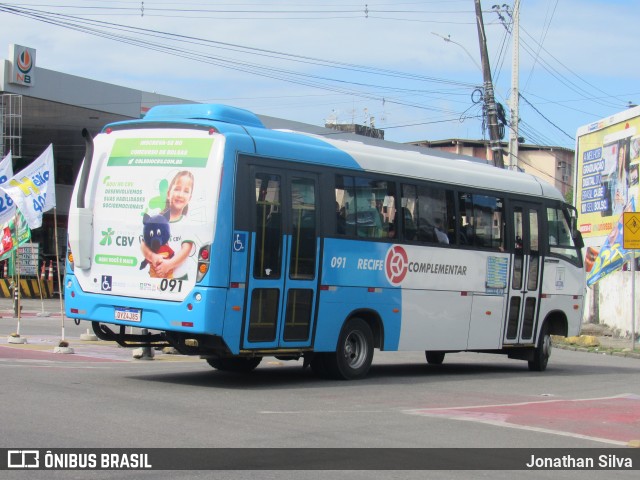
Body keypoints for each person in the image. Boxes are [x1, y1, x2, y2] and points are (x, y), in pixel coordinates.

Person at [141, 171, 196, 279]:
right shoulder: (155, 219)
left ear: (190, 197)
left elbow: (185, 251)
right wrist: (152, 256)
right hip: (156, 279)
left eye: (186, 191)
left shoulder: (187, 223)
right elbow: (144, 245)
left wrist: (169, 265)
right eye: (177, 189)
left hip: (178, 280)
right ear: (168, 193)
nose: (180, 194)